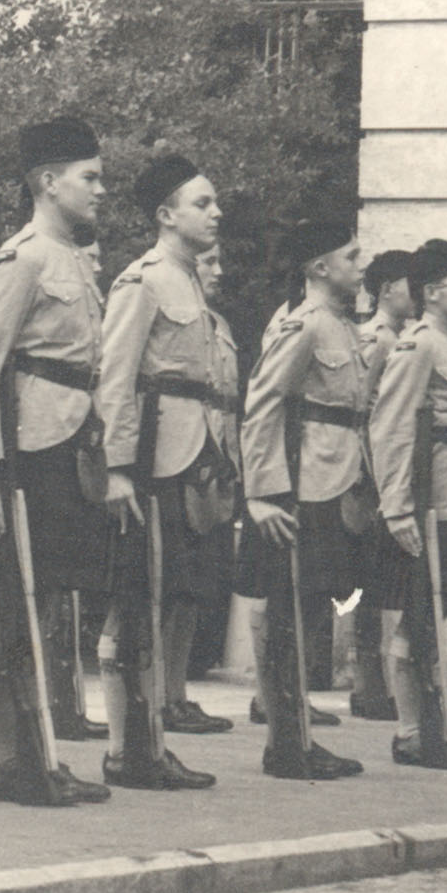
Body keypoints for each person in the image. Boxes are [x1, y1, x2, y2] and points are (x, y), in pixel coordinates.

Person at [0, 118, 115, 808]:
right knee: (6, 596)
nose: (100, 190)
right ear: (47, 182)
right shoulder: (22, 259)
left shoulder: (74, 257)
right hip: (22, 448)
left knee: (43, 597)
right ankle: (8, 760)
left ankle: (38, 752)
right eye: (90, 177)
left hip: (66, 443)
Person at [92, 152, 225, 791]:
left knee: (163, 593)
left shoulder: (189, 281)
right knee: (134, 597)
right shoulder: (141, 281)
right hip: (144, 460)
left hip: (184, 455)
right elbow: (114, 377)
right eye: (202, 203)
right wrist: (115, 468)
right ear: (166, 215)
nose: (215, 212)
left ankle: (149, 743)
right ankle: (127, 748)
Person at [238, 219, 370, 780]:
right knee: (290, 612)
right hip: (302, 486)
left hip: (337, 482)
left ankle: (300, 739)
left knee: (314, 610)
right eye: (352, 255)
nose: (361, 265)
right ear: (319, 268)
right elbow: (263, 406)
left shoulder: (343, 328)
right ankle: (287, 745)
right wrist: (263, 493)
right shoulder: (305, 326)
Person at [369, 238, 447, 770]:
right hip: (428, 503)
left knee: (432, 617)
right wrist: (396, 508)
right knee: (418, 617)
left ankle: (431, 730)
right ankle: (412, 733)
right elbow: (391, 427)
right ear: (430, 293)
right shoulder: (418, 345)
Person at [168, 242, 242, 733]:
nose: (218, 269)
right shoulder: (170, 314)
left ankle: (178, 692)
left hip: (214, 465)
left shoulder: (220, 326)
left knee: (195, 590)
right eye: (209, 261)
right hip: (180, 457)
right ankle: (160, 696)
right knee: (171, 587)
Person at [348, 249, 415, 721]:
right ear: (389, 288)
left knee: (381, 583)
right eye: (412, 284)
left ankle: (375, 684)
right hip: (370, 478)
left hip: (390, 473)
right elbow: (361, 412)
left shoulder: (402, 337)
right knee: (367, 586)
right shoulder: (375, 339)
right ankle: (367, 685)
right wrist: (371, 479)